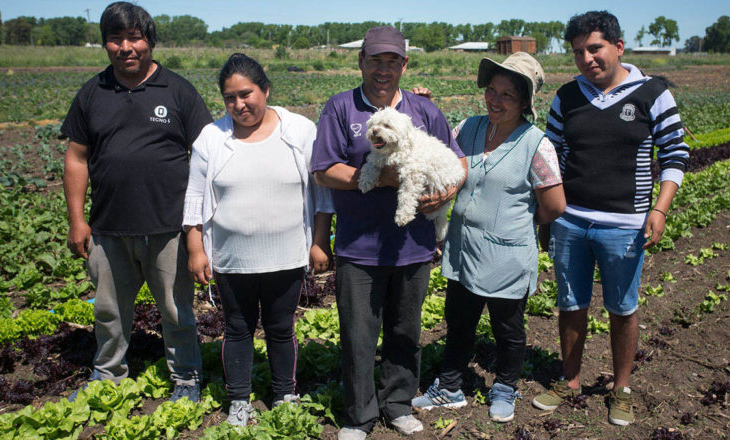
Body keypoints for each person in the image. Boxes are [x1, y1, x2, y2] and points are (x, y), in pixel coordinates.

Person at [531, 11, 690, 426]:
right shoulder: (567, 97)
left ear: (618, 47)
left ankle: (621, 389)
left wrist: (659, 209)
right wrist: (548, 218)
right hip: (571, 221)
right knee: (571, 303)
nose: (587, 58)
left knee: (622, 307)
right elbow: (550, 160)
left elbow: (674, 156)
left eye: (595, 48)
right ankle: (569, 381)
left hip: (625, 224)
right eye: (578, 52)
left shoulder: (652, 94)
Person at [311, 26, 466, 440]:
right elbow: (324, 170)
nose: (383, 69)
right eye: (375, 60)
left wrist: (446, 191)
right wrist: (381, 179)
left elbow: (457, 160)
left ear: (404, 65)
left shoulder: (424, 111)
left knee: (405, 330)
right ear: (360, 61)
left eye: (392, 61)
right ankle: (359, 416)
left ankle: (398, 404)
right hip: (359, 246)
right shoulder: (341, 108)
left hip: (412, 246)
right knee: (358, 334)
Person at [61, 2, 211, 403]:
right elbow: (76, 158)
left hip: (169, 227)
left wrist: (201, 227)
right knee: (108, 311)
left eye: (135, 38)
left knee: (177, 311)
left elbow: (209, 155)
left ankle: (186, 377)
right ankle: (108, 373)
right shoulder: (93, 92)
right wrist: (77, 221)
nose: (126, 47)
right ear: (105, 43)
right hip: (109, 228)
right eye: (116, 38)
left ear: (150, 41)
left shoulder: (178, 90)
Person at [411, 52, 565, 423]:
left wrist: (517, 219)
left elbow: (555, 205)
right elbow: (440, 153)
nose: (495, 101)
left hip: (507, 254)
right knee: (459, 320)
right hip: (463, 247)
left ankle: (505, 387)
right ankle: (449, 387)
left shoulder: (536, 143)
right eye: (491, 91)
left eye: (507, 95)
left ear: (525, 102)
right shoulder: (470, 127)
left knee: (507, 327)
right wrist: (425, 109)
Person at [183, 53, 333, 426]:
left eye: (246, 94)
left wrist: (319, 241)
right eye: (230, 98)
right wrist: (196, 247)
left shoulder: (299, 131)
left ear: (265, 90)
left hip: (286, 254)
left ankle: (284, 393)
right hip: (233, 257)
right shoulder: (212, 138)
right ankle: (238, 400)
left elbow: (321, 193)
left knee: (282, 328)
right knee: (237, 328)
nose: (239, 104)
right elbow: (195, 197)